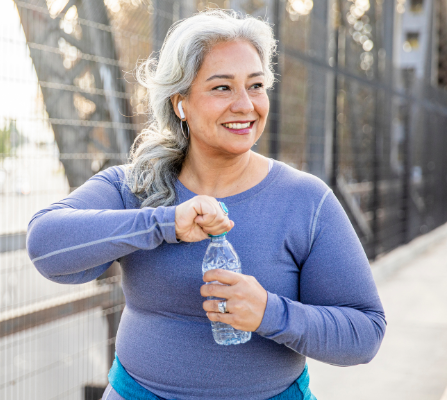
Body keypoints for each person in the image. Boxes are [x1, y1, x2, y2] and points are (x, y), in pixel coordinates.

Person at [27, 9, 385, 400]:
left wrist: (270, 312)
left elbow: (364, 333)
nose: (246, 105)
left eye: (256, 85)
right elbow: (46, 245)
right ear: (181, 102)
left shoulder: (306, 200)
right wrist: (163, 224)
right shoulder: (135, 186)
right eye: (222, 88)